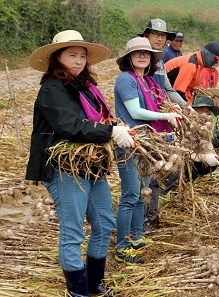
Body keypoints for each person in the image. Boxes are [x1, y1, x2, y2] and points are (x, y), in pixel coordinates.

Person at [26, 30, 134, 296]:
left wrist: (114, 126)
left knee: (104, 224)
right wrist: (110, 133)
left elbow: (96, 120)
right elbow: (69, 126)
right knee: (73, 232)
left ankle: (95, 284)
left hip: (91, 165)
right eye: (71, 55)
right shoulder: (52, 89)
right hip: (64, 168)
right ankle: (78, 291)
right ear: (57, 58)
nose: (78, 61)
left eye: (82, 56)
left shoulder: (85, 88)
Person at [113, 37, 183, 263]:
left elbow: (162, 99)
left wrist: (171, 106)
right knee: (130, 195)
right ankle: (123, 246)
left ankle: (137, 236)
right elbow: (135, 112)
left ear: (152, 58)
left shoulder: (149, 81)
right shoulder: (126, 80)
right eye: (137, 53)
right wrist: (165, 116)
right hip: (130, 144)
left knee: (142, 192)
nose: (142, 56)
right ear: (129, 58)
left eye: (146, 54)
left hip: (147, 144)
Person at [138, 19, 188, 109]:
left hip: (158, 110)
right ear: (146, 35)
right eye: (155, 34)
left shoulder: (160, 61)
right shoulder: (139, 60)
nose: (160, 39)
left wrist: (185, 106)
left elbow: (168, 89)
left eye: (163, 35)